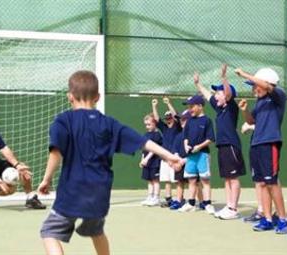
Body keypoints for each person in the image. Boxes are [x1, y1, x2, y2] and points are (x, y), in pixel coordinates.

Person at [37, 70, 181, 255]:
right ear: (97, 97)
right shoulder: (109, 123)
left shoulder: (63, 121)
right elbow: (142, 141)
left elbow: (56, 153)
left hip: (72, 189)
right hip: (100, 191)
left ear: (69, 97)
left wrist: (46, 179)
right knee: (95, 231)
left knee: (50, 231)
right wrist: (169, 156)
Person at [235, 67, 287, 234]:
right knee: (262, 184)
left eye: (254, 85)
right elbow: (252, 121)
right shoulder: (259, 102)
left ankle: (282, 219)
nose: (253, 88)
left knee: (272, 183)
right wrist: (244, 111)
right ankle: (267, 218)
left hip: (269, 144)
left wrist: (245, 74)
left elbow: (266, 86)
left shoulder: (278, 96)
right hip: (256, 145)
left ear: (266, 84)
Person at [194, 64, 245, 220]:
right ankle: (229, 206)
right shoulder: (219, 108)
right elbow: (207, 95)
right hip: (222, 145)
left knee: (233, 178)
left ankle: (233, 208)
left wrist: (224, 76)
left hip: (231, 145)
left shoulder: (231, 106)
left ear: (226, 96)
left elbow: (228, 92)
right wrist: (197, 84)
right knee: (227, 178)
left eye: (219, 92)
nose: (216, 94)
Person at [177, 94, 216, 214]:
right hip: (191, 156)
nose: (190, 109)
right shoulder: (189, 122)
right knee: (191, 180)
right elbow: (185, 137)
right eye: (188, 107)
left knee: (205, 180)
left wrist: (199, 147)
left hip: (202, 154)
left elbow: (210, 138)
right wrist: (186, 145)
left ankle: (208, 204)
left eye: (192, 106)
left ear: (200, 106)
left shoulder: (207, 121)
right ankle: (191, 203)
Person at [152, 97, 182, 207]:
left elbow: (176, 115)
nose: (169, 120)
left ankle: (179, 199)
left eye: (170, 118)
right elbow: (156, 118)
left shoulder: (178, 127)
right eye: (167, 118)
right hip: (165, 158)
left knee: (178, 180)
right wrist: (154, 106)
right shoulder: (164, 128)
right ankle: (169, 200)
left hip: (175, 157)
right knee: (167, 180)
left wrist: (169, 103)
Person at [168, 110, 191, 210]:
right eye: (181, 119)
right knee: (179, 182)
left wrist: (184, 161)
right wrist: (177, 161)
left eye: (185, 119)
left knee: (194, 183)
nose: (182, 121)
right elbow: (175, 150)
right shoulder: (178, 136)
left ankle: (199, 201)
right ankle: (179, 200)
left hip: (190, 162)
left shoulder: (193, 135)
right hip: (179, 163)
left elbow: (195, 152)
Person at [139, 114, 163, 206]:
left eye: (149, 124)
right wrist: (142, 159)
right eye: (146, 124)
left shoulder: (157, 135)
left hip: (155, 161)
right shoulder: (146, 134)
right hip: (146, 161)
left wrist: (147, 159)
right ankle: (150, 197)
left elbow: (154, 149)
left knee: (155, 180)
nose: (147, 126)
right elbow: (144, 148)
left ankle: (156, 198)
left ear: (155, 123)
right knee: (149, 180)